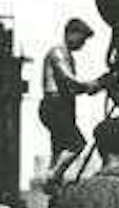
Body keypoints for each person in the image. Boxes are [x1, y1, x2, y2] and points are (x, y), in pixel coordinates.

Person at [40, 17, 108, 192]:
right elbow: (67, 78)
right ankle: (52, 177)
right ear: (71, 33)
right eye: (82, 39)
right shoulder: (58, 53)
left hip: (63, 105)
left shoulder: (68, 56)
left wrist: (94, 86)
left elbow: (72, 89)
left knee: (59, 149)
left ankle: (54, 183)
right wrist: (89, 84)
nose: (83, 44)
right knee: (77, 144)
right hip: (55, 105)